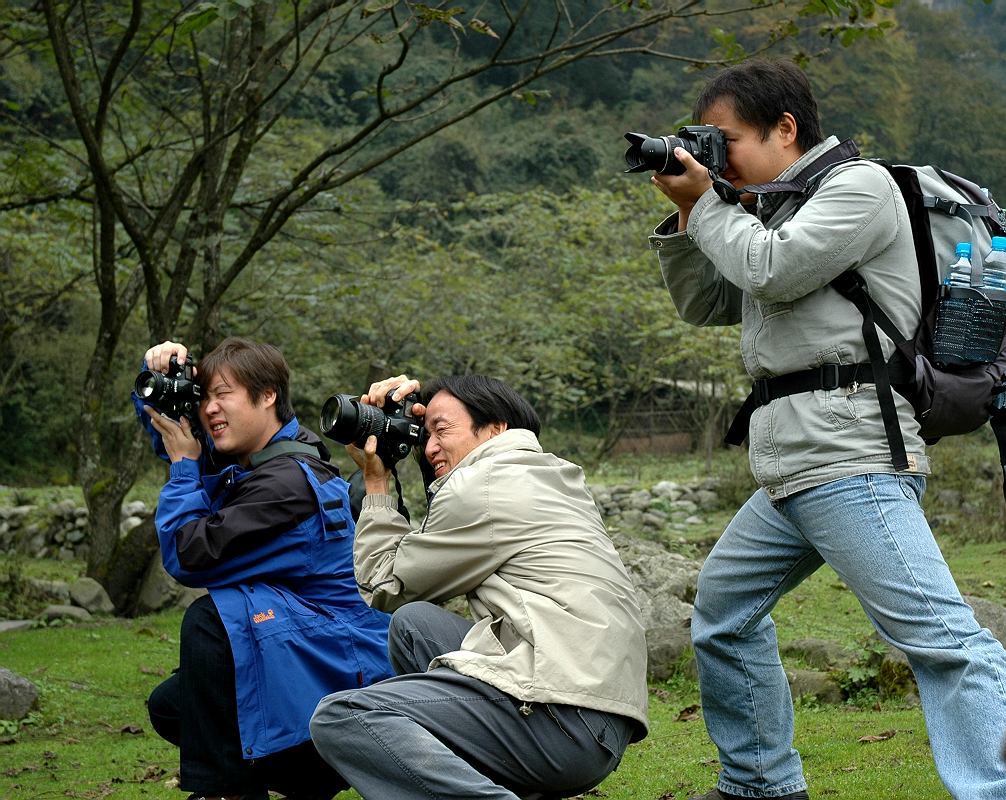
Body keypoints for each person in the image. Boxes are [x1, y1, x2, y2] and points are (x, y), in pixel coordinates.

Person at [647, 58, 1006, 800]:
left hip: (851, 453)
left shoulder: (857, 187)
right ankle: (761, 785)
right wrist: (691, 216)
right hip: (793, 461)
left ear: (786, 128)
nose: (716, 155)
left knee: (944, 642)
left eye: (726, 139)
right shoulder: (771, 207)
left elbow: (772, 272)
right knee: (722, 615)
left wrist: (712, 205)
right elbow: (709, 303)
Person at [309, 374, 649, 800]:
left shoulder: (482, 487)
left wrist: (376, 484)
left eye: (442, 430)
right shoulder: (545, 472)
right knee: (415, 624)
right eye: (423, 433)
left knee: (344, 717)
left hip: (561, 721)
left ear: (495, 428)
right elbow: (422, 576)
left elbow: (385, 582)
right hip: (596, 718)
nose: (429, 446)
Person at [134, 337, 394, 800]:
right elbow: (185, 442)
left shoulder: (285, 482)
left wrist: (182, 469)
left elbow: (189, 554)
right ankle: (274, 780)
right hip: (308, 648)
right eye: (204, 397)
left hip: (341, 667)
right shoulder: (270, 456)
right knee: (174, 706)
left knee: (210, 620)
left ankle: (228, 790)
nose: (209, 410)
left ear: (267, 394)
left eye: (223, 394)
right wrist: (159, 374)